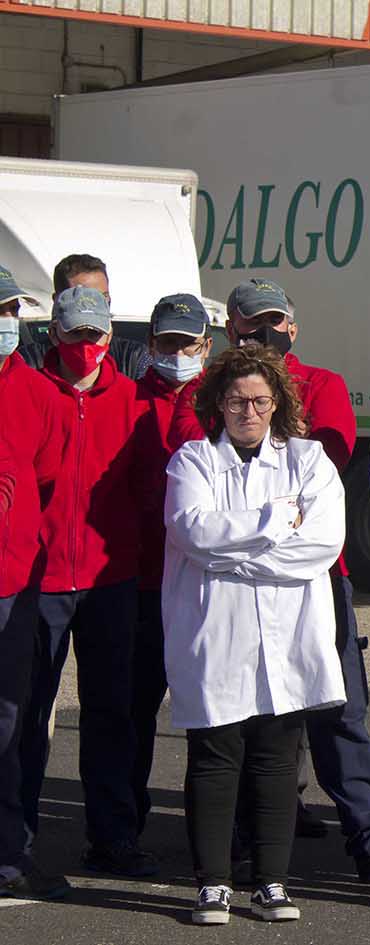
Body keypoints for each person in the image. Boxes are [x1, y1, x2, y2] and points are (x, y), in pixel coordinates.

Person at [172, 279, 370, 881]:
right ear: (232, 328)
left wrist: (234, 547)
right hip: (225, 594)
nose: (265, 332)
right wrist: (274, 520)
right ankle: (247, 840)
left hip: (315, 583)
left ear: (293, 327)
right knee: (238, 717)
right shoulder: (206, 392)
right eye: (252, 323)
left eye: (275, 321)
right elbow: (194, 504)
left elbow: (323, 477)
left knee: (337, 709)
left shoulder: (323, 384)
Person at [164, 345, 346, 925]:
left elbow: (321, 546)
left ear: (278, 403)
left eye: (260, 401)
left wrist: (232, 558)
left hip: (287, 634)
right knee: (215, 757)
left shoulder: (309, 460)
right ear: (218, 403)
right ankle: (212, 884)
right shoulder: (191, 462)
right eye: (238, 400)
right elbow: (193, 531)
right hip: (215, 631)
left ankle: (271, 883)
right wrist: (271, 524)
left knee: (275, 759)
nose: (249, 411)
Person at [21, 285, 153, 877]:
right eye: (74, 333)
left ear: (109, 336)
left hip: (110, 579)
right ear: (54, 333)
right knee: (27, 713)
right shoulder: (28, 392)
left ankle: (113, 836)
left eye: (96, 334)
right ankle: (14, 841)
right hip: (40, 580)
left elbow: (150, 492)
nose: (86, 345)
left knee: (111, 712)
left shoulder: (130, 400)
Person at [131, 294, 213, 840]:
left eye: (188, 343)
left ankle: (213, 835)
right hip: (139, 580)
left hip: (207, 583)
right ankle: (119, 833)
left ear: (206, 347)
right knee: (131, 714)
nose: (178, 352)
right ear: (151, 345)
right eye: (168, 342)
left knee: (213, 717)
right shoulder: (127, 398)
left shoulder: (229, 402)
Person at [0, 267, 66, 900]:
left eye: (8, 308)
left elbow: (44, 474)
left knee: (10, 719)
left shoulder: (37, 393)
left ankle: (10, 850)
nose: (3, 320)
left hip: (14, 587)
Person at [18, 254, 152, 380]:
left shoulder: (134, 357)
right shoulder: (28, 362)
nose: (96, 304)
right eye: (82, 296)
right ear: (57, 300)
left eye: (102, 296)